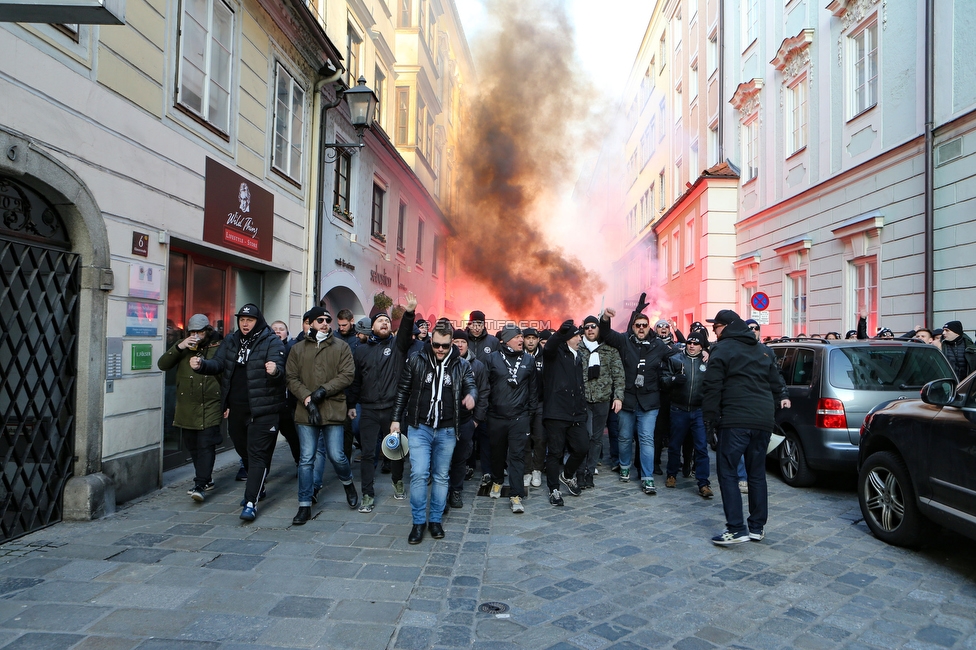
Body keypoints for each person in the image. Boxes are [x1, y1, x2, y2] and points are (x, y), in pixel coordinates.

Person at [701, 309, 790, 545]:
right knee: (757, 474)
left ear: (726, 327)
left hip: (735, 419)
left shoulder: (721, 349)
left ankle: (736, 528)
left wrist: (709, 422)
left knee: (728, 472)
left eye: (716, 327)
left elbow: (711, 387)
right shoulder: (764, 350)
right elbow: (775, 383)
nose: (714, 332)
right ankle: (756, 527)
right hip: (762, 420)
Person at [191, 304, 286, 521]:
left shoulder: (271, 340)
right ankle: (258, 483)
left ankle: (251, 502)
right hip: (237, 409)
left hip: (264, 409)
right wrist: (201, 365)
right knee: (244, 450)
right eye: (242, 319)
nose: (245, 323)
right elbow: (218, 364)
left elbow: (281, 368)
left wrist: (274, 370)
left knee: (257, 454)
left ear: (258, 321)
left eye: (249, 320)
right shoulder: (232, 340)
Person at [393, 320, 477, 543]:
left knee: (441, 476)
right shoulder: (416, 360)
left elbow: (471, 384)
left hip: (448, 430)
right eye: (437, 345)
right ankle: (418, 522)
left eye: (445, 346)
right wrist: (395, 420)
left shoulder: (462, 365)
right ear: (431, 341)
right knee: (419, 474)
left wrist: (472, 396)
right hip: (419, 427)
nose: (440, 349)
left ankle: (436, 520)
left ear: (452, 344)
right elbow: (403, 390)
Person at [285, 307, 358, 525]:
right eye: (320, 320)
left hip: (333, 408)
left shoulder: (341, 346)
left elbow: (347, 375)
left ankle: (348, 483)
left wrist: (322, 391)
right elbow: (291, 377)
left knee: (337, 455)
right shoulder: (298, 349)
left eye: (328, 319)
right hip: (306, 410)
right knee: (306, 458)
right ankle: (304, 505)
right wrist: (308, 399)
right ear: (310, 323)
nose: (325, 323)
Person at [346, 292, 418, 513]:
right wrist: (351, 404)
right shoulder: (361, 351)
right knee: (368, 453)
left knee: (395, 451)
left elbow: (406, 334)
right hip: (368, 409)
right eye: (380, 320)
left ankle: (397, 480)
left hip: (392, 410)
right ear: (372, 327)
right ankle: (367, 493)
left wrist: (409, 313)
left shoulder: (397, 347)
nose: (385, 323)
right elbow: (356, 381)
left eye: (387, 320)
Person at [599, 293, 671, 495]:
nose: (641, 328)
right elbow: (606, 334)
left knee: (646, 438)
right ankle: (624, 465)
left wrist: (706, 351)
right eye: (637, 325)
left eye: (644, 325)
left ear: (649, 327)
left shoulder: (658, 345)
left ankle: (647, 478)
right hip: (627, 399)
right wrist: (605, 318)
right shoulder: (624, 341)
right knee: (623, 437)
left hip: (650, 401)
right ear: (633, 326)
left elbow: (677, 355)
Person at [157, 314, 223, 502]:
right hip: (187, 406)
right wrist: (180, 346)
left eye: (200, 332)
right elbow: (163, 364)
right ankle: (206, 478)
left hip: (210, 403)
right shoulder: (183, 347)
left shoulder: (218, 346)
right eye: (193, 332)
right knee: (192, 445)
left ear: (207, 331)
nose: (196, 335)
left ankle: (200, 483)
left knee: (205, 445)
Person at [484, 324, 538, 513]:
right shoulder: (491, 359)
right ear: (506, 340)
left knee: (517, 456)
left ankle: (516, 494)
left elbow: (533, 390)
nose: (521, 340)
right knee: (497, 453)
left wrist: (528, 414)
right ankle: (497, 481)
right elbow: (485, 387)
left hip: (519, 418)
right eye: (517, 337)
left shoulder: (528, 361)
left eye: (521, 337)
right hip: (496, 417)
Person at [542, 320, 590, 506]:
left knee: (582, 447)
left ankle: (567, 475)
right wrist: (561, 332)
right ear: (568, 338)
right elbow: (549, 348)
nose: (580, 338)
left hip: (576, 412)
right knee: (555, 452)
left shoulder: (577, 356)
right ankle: (554, 489)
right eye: (577, 335)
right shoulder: (555, 354)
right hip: (556, 412)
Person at [660, 330, 713, 498]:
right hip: (678, 408)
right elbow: (663, 380)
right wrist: (674, 380)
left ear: (701, 346)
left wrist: (708, 352)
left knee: (701, 448)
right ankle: (671, 474)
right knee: (675, 445)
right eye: (690, 342)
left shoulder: (707, 361)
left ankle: (703, 483)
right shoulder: (676, 359)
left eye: (696, 343)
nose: (692, 345)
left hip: (698, 410)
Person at [576, 315, 624, 489]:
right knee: (584, 437)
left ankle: (590, 472)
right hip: (583, 401)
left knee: (597, 439)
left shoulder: (609, 350)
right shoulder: (577, 349)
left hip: (602, 400)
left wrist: (618, 397)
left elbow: (618, 375)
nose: (590, 329)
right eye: (587, 327)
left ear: (598, 329)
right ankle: (580, 472)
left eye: (593, 326)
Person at [448, 329, 488, 509]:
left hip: (467, 420)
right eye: (456, 341)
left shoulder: (477, 365)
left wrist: (476, 419)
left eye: (462, 342)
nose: (459, 344)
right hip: (446, 419)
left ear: (467, 344)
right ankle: (442, 492)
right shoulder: (445, 362)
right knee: (443, 457)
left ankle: (456, 490)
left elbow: (484, 392)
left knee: (460, 458)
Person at [271, 319, 301, 466]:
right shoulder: (265, 349)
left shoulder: (293, 348)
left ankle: (300, 463)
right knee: (267, 441)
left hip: (288, 403)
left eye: (281, 329)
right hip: (270, 403)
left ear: (287, 333)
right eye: (274, 329)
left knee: (293, 437)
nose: (277, 331)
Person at [521, 327, 546, 488]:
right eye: (527, 338)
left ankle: (537, 469)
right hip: (522, 405)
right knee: (524, 439)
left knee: (540, 438)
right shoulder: (518, 356)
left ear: (538, 340)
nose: (530, 341)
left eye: (533, 338)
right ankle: (527, 470)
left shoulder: (545, 357)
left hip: (541, 404)